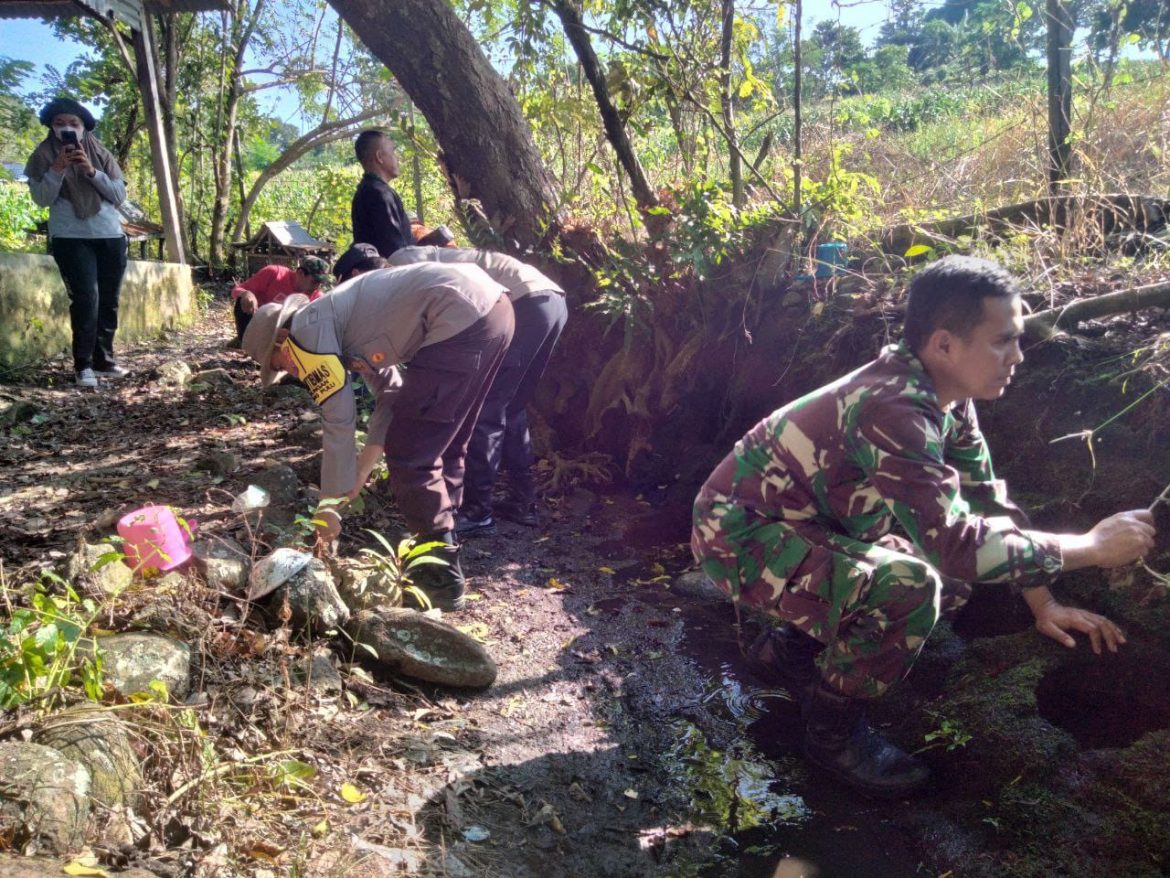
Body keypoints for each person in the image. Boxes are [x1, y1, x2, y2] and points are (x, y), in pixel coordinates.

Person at [691, 255, 1156, 797]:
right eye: (1003, 341)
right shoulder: (893, 407)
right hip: (736, 536)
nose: (1018, 357)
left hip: (806, 525)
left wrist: (1044, 603)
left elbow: (985, 503)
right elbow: (957, 547)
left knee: (945, 575)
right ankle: (830, 731)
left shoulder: (946, 397)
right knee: (913, 587)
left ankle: (785, 652)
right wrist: (1091, 547)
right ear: (944, 345)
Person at [241, 262, 514, 611]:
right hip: (493, 310)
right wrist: (360, 473)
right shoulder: (342, 321)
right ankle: (440, 550)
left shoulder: (306, 332)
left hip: (460, 316)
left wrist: (329, 511)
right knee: (446, 443)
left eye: (280, 365)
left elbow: (338, 420)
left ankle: (441, 582)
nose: (290, 373)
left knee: (411, 452)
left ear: (282, 340)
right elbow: (391, 394)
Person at [385, 246, 568, 534]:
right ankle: (524, 502)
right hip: (551, 300)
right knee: (512, 407)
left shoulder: (399, 262)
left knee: (486, 408)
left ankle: (478, 511)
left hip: (524, 301)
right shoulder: (438, 255)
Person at [25, 97, 129, 389]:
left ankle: (104, 361)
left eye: (74, 123)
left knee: (109, 300)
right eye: (60, 124)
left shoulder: (101, 154)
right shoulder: (43, 156)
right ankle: (82, 365)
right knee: (85, 299)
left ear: (84, 128)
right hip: (71, 237)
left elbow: (119, 195)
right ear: (51, 128)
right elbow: (42, 199)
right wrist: (57, 169)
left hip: (110, 234)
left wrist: (91, 172)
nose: (67, 128)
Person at [229, 256, 329, 344]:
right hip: (258, 322)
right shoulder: (274, 274)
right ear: (300, 273)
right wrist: (246, 293)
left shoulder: (317, 296)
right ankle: (243, 340)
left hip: (283, 332)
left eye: (320, 283)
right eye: (314, 282)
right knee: (242, 299)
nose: (317, 286)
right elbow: (236, 290)